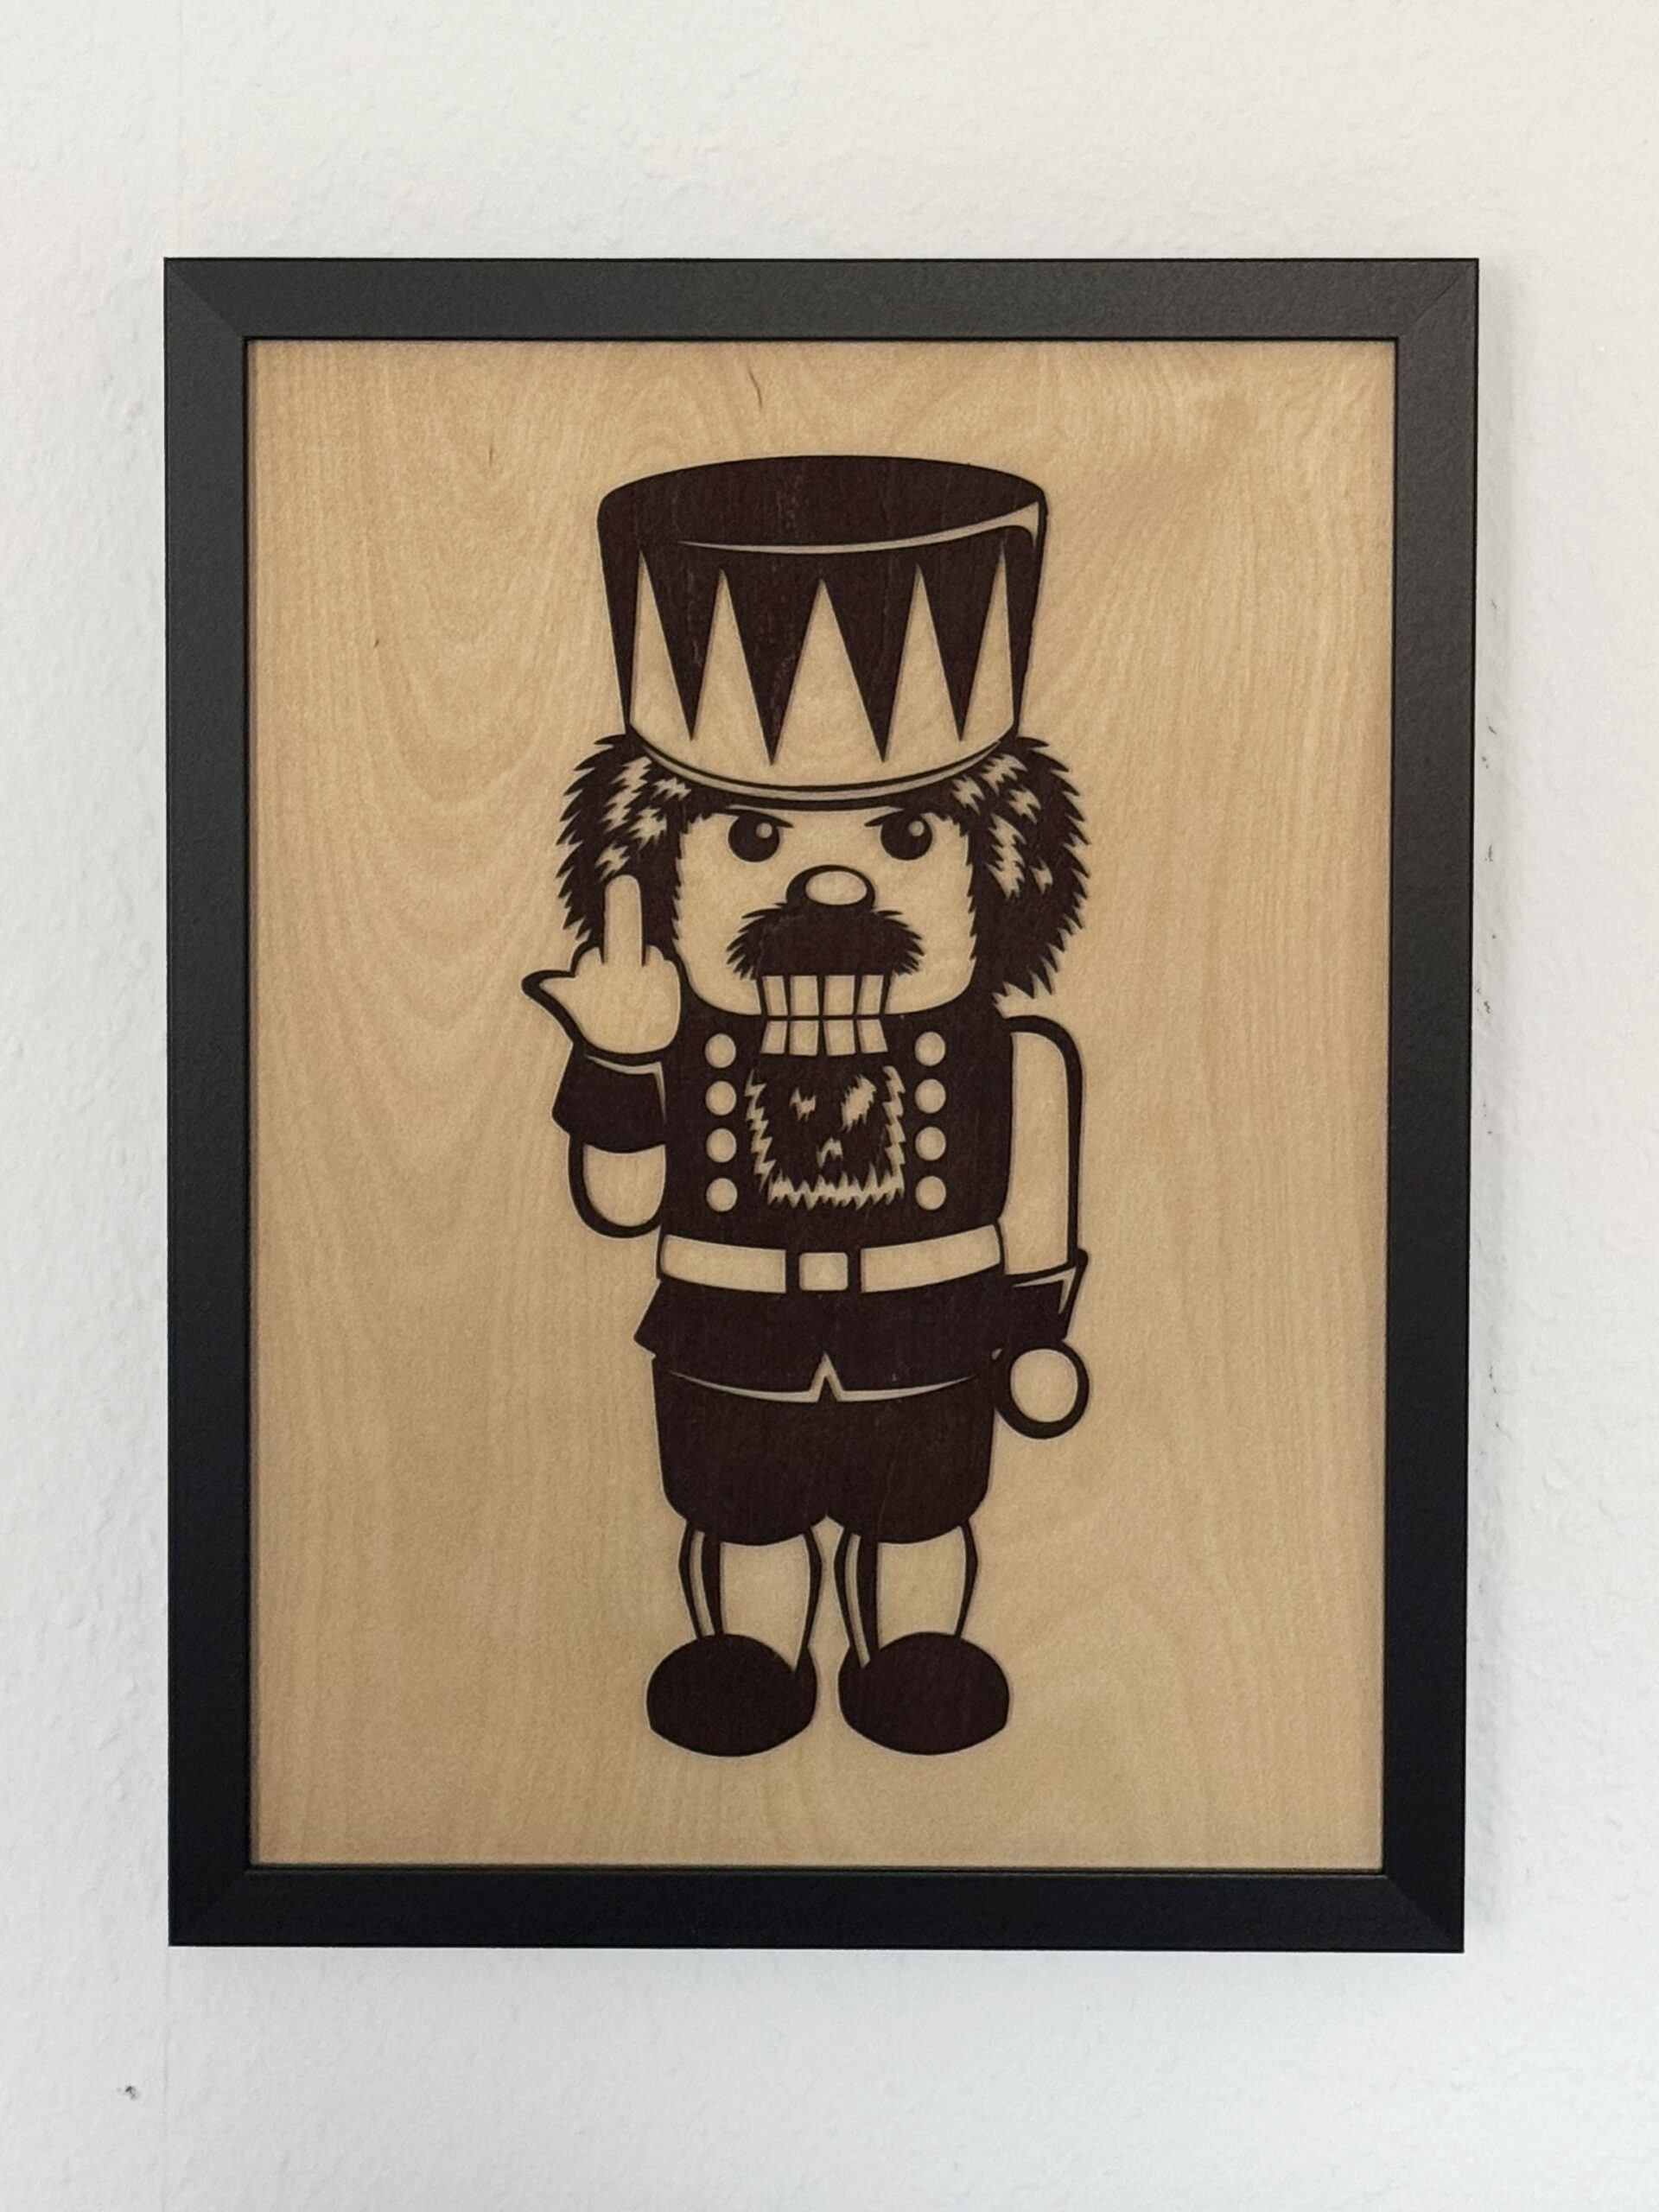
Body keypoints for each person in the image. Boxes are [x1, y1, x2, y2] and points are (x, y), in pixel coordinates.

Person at [526, 454, 1089, 1758]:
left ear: (997, 877)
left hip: (929, 1324)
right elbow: (622, 1202)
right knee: (743, 1517)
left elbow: (1039, 1206)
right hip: (729, 1327)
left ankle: (916, 1658)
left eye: (907, 838)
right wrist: (619, 1059)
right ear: (653, 878)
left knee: (922, 1512)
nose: (832, 889)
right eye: (752, 838)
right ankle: (751, 1659)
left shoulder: (1013, 1058)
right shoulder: (674, 1040)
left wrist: (1035, 1330)